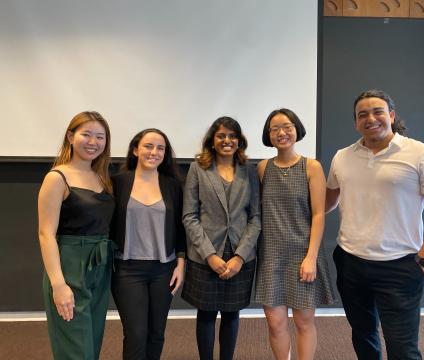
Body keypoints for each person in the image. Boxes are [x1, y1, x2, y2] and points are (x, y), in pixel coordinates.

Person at [325, 89, 424, 360]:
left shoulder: (422, 155)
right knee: (363, 337)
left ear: (391, 116)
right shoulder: (342, 157)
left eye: (377, 112)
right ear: (355, 122)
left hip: (401, 266)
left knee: (402, 349)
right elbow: (327, 203)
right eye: (363, 114)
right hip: (350, 263)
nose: (370, 118)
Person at [255, 108, 335, 360]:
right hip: (271, 256)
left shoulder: (311, 167)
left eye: (287, 126)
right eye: (275, 129)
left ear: (296, 129)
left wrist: (311, 257)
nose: (281, 133)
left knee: (303, 322)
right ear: (268, 135)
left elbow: (319, 215)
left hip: (303, 254)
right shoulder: (262, 168)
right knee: (275, 323)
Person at [182, 117, 261, 360]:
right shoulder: (198, 168)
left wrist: (239, 256)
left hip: (240, 254)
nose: (227, 140)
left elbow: (255, 217)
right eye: (221, 136)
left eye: (232, 136)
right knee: (206, 314)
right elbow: (189, 216)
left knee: (231, 314)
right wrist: (210, 255)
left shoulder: (250, 170)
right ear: (212, 141)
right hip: (206, 254)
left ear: (239, 140)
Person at [38, 111, 115, 360]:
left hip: (100, 265)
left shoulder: (101, 177)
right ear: (71, 136)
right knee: (74, 348)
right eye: (87, 134)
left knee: (91, 342)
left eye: (100, 137)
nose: (93, 142)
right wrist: (58, 285)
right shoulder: (56, 177)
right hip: (70, 265)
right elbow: (45, 234)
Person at [110, 128, 186, 359]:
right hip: (127, 270)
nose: (154, 152)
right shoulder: (118, 182)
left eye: (160, 148)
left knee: (156, 332)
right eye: (148, 146)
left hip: (164, 269)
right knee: (135, 332)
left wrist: (181, 264)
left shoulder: (172, 184)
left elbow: (180, 228)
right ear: (135, 150)